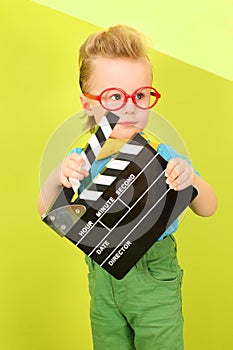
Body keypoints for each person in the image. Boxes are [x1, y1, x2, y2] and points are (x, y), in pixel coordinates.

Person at [37, 25, 217, 350]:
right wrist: (57, 177)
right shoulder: (81, 161)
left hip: (153, 272)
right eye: (115, 96)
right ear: (88, 104)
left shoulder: (161, 156)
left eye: (141, 95)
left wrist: (190, 179)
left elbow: (209, 206)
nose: (130, 107)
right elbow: (49, 214)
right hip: (103, 276)